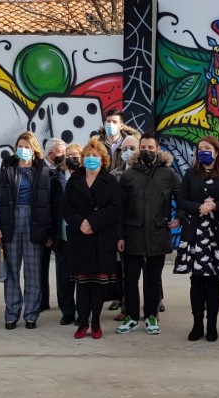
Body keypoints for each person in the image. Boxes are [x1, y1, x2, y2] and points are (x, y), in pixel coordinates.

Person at [0, 131, 61, 329]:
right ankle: (12, 314)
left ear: (34, 149)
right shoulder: (7, 168)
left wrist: (49, 232)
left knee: (33, 272)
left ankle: (31, 313)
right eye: (19, 147)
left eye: (26, 147)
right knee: (12, 271)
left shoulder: (44, 171)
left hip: (34, 223)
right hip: (11, 221)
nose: (22, 150)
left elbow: (50, 205)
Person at [116, 131, 181, 335]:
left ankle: (151, 316)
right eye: (143, 147)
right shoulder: (129, 175)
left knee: (153, 279)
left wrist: (178, 217)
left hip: (158, 233)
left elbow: (183, 196)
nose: (146, 151)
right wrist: (119, 235)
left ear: (157, 149)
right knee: (130, 278)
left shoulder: (168, 174)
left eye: (150, 148)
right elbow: (119, 207)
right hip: (132, 234)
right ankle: (132, 317)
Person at [175, 136, 219, 342]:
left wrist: (215, 206)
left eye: (207, 148)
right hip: (196, 235)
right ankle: (197, 325)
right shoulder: (190, 174)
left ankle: (212, 325)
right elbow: (182, 201)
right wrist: (198, 207)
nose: (203, 151)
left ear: (217, 152)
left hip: (217, 236)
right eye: (200, 148)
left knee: (213, 282)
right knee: (196, 282)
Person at [62, 138, 123, 339]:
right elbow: (66, 207)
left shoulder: (110, 180)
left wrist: (93, 222)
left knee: (98, 284)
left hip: (101, 238)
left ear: (103, 159)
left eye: (94, 156)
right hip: (79, 237)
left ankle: (95, 323)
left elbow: (114, 208)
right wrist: (81, 222)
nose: (90, 159)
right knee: (82, 283)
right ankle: (82, 323)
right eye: (87, 156)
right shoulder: (74, 180)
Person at [107, 133, 138, 316]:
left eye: (132, 148)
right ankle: (126, 308)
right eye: (125, 149)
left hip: (143, 228)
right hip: (122, 229)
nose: (128, 152)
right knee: (126, 272)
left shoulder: (148, 172)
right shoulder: (114, 174)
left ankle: (154, 305)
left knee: (150, 272)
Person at [53, 143, 83, 325]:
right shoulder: (56, 178)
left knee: (82, 277)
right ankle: (67, 312)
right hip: (62, 235)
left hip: (81, 235)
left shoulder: (87, 177)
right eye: (70, 155)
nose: (73, 158)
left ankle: (82, 311)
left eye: (77, 155)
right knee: (63, 277)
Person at [39, 137, 66, 313]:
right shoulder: (38, 170)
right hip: (43, 225)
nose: (64, 156)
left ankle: (65, 302)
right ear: (50, 153)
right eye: (61, 153)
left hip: (61, 227)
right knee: (41, 266)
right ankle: (42, 301)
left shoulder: (64, 171)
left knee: (63, 268)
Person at [101, 108, 137, 173]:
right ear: (105, 123)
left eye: (114, 122)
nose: (111, 124)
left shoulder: (131, 145)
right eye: (108, 121)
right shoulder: (96, 144)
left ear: (121, 126)